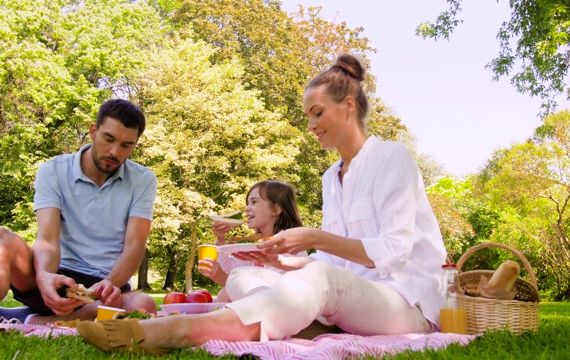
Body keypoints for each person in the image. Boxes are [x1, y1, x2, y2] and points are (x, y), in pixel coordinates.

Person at [75, 54, 447, 354]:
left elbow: (395, 252)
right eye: (308, 116)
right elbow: (333, 261)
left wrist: (313, 238)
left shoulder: (392, 158)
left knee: (321, 279)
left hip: (405, 303)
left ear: (349, 106)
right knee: (243, 276)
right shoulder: (331, 177)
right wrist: (286, 262)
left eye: (318, 112)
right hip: (351, 303)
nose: (311, 124)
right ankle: (297, 321)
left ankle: (178, 331)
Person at [0, 99, 158, 342]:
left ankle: (27, 319)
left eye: (126, 145)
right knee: (0, 237)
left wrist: (110, 283)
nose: (115, 152)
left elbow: (135, 246)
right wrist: (44, 275)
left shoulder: (143, 180)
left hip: (104, 289)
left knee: (143, 305)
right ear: (93, 131)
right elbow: (47, 239)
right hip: (55, 277)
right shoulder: (53, 170)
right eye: (109, 139)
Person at [199, 180, 306, 302]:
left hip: (282, 310)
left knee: (225, 293)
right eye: (247, 203)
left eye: (254, 202)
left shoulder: (289, 244)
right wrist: (221, 238)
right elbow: (229, 269)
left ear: (275, 210)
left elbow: (272, 294)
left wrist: (224, 279)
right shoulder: (255, 246)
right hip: (260, 310)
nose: (246, 208)